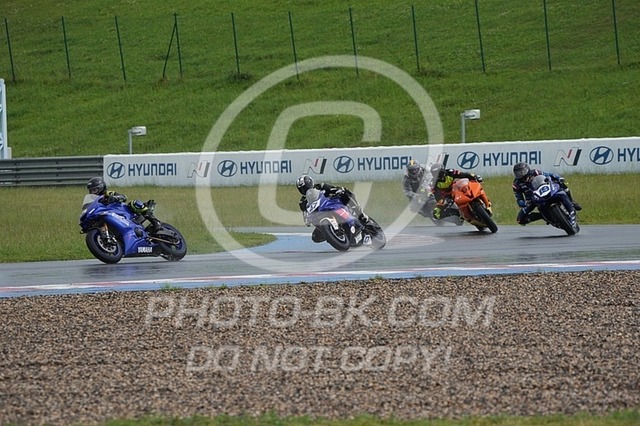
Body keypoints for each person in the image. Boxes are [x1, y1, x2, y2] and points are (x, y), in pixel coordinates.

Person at [296, 174, 368, 242]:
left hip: (330, 204)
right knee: (315, 237)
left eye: (305, 186)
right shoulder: (302, 201)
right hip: (319, 215)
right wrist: (307, 219)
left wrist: (337, 190)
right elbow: (305, 213)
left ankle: (360, 213)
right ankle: (333, 235)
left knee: (346, 193)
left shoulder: (320, 186)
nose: (305, 189)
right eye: (302, 189)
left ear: (310, 183)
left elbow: (332, 188)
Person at [512, 162, 581, 225]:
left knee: (561, 184)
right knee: (520, 220)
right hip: (533, 200)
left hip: (545, 189)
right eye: (518, 173)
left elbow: (549, 175)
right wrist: (525, 203)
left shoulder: (535, 172)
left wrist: (558, 178)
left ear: (527, 169)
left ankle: (572, 202)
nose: (521, 175)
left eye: (522, 172)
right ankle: (542, 216)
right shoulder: (516, 184)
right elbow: (519, 199)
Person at [83, 176, 160, 229]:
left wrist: (115, 198)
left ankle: (155, 221)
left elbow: (124, 197)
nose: (93, 192)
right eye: (91, 191)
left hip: (125, 214)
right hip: (111, 218)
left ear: (101, 187)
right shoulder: (95, 201)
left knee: (134, 203)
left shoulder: (109, 194)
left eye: (95, 190)